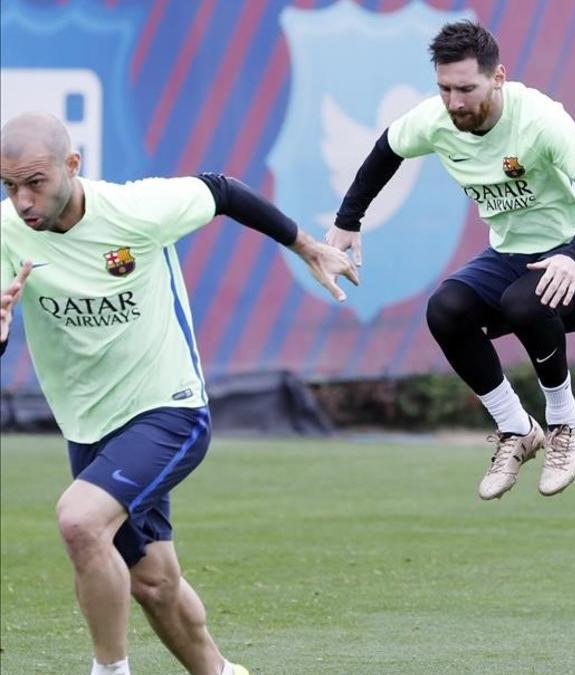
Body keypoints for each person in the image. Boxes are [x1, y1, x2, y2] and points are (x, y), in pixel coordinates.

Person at [0, 112, 358, 675]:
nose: (23, 200)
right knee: (154, 583)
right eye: (10, 186)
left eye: (35, 182)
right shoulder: (6, 234)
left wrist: (307, 247)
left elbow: (222, 190)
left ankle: (109, 671)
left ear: (72, 166)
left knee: (79, 521)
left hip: (168, 410)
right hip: (89, 428)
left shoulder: (137, 209)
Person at [327, 20, 575, 500]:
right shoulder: (436, 118)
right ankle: (516, 429)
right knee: (445, 310)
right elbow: (388, 148)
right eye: (445, 89)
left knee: (526, 303)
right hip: (513, 253)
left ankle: (565, 422)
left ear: (499, 77)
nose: (455, 103)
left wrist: (574, 257)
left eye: (467, 88)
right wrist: (349, 220)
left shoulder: (538, 120)